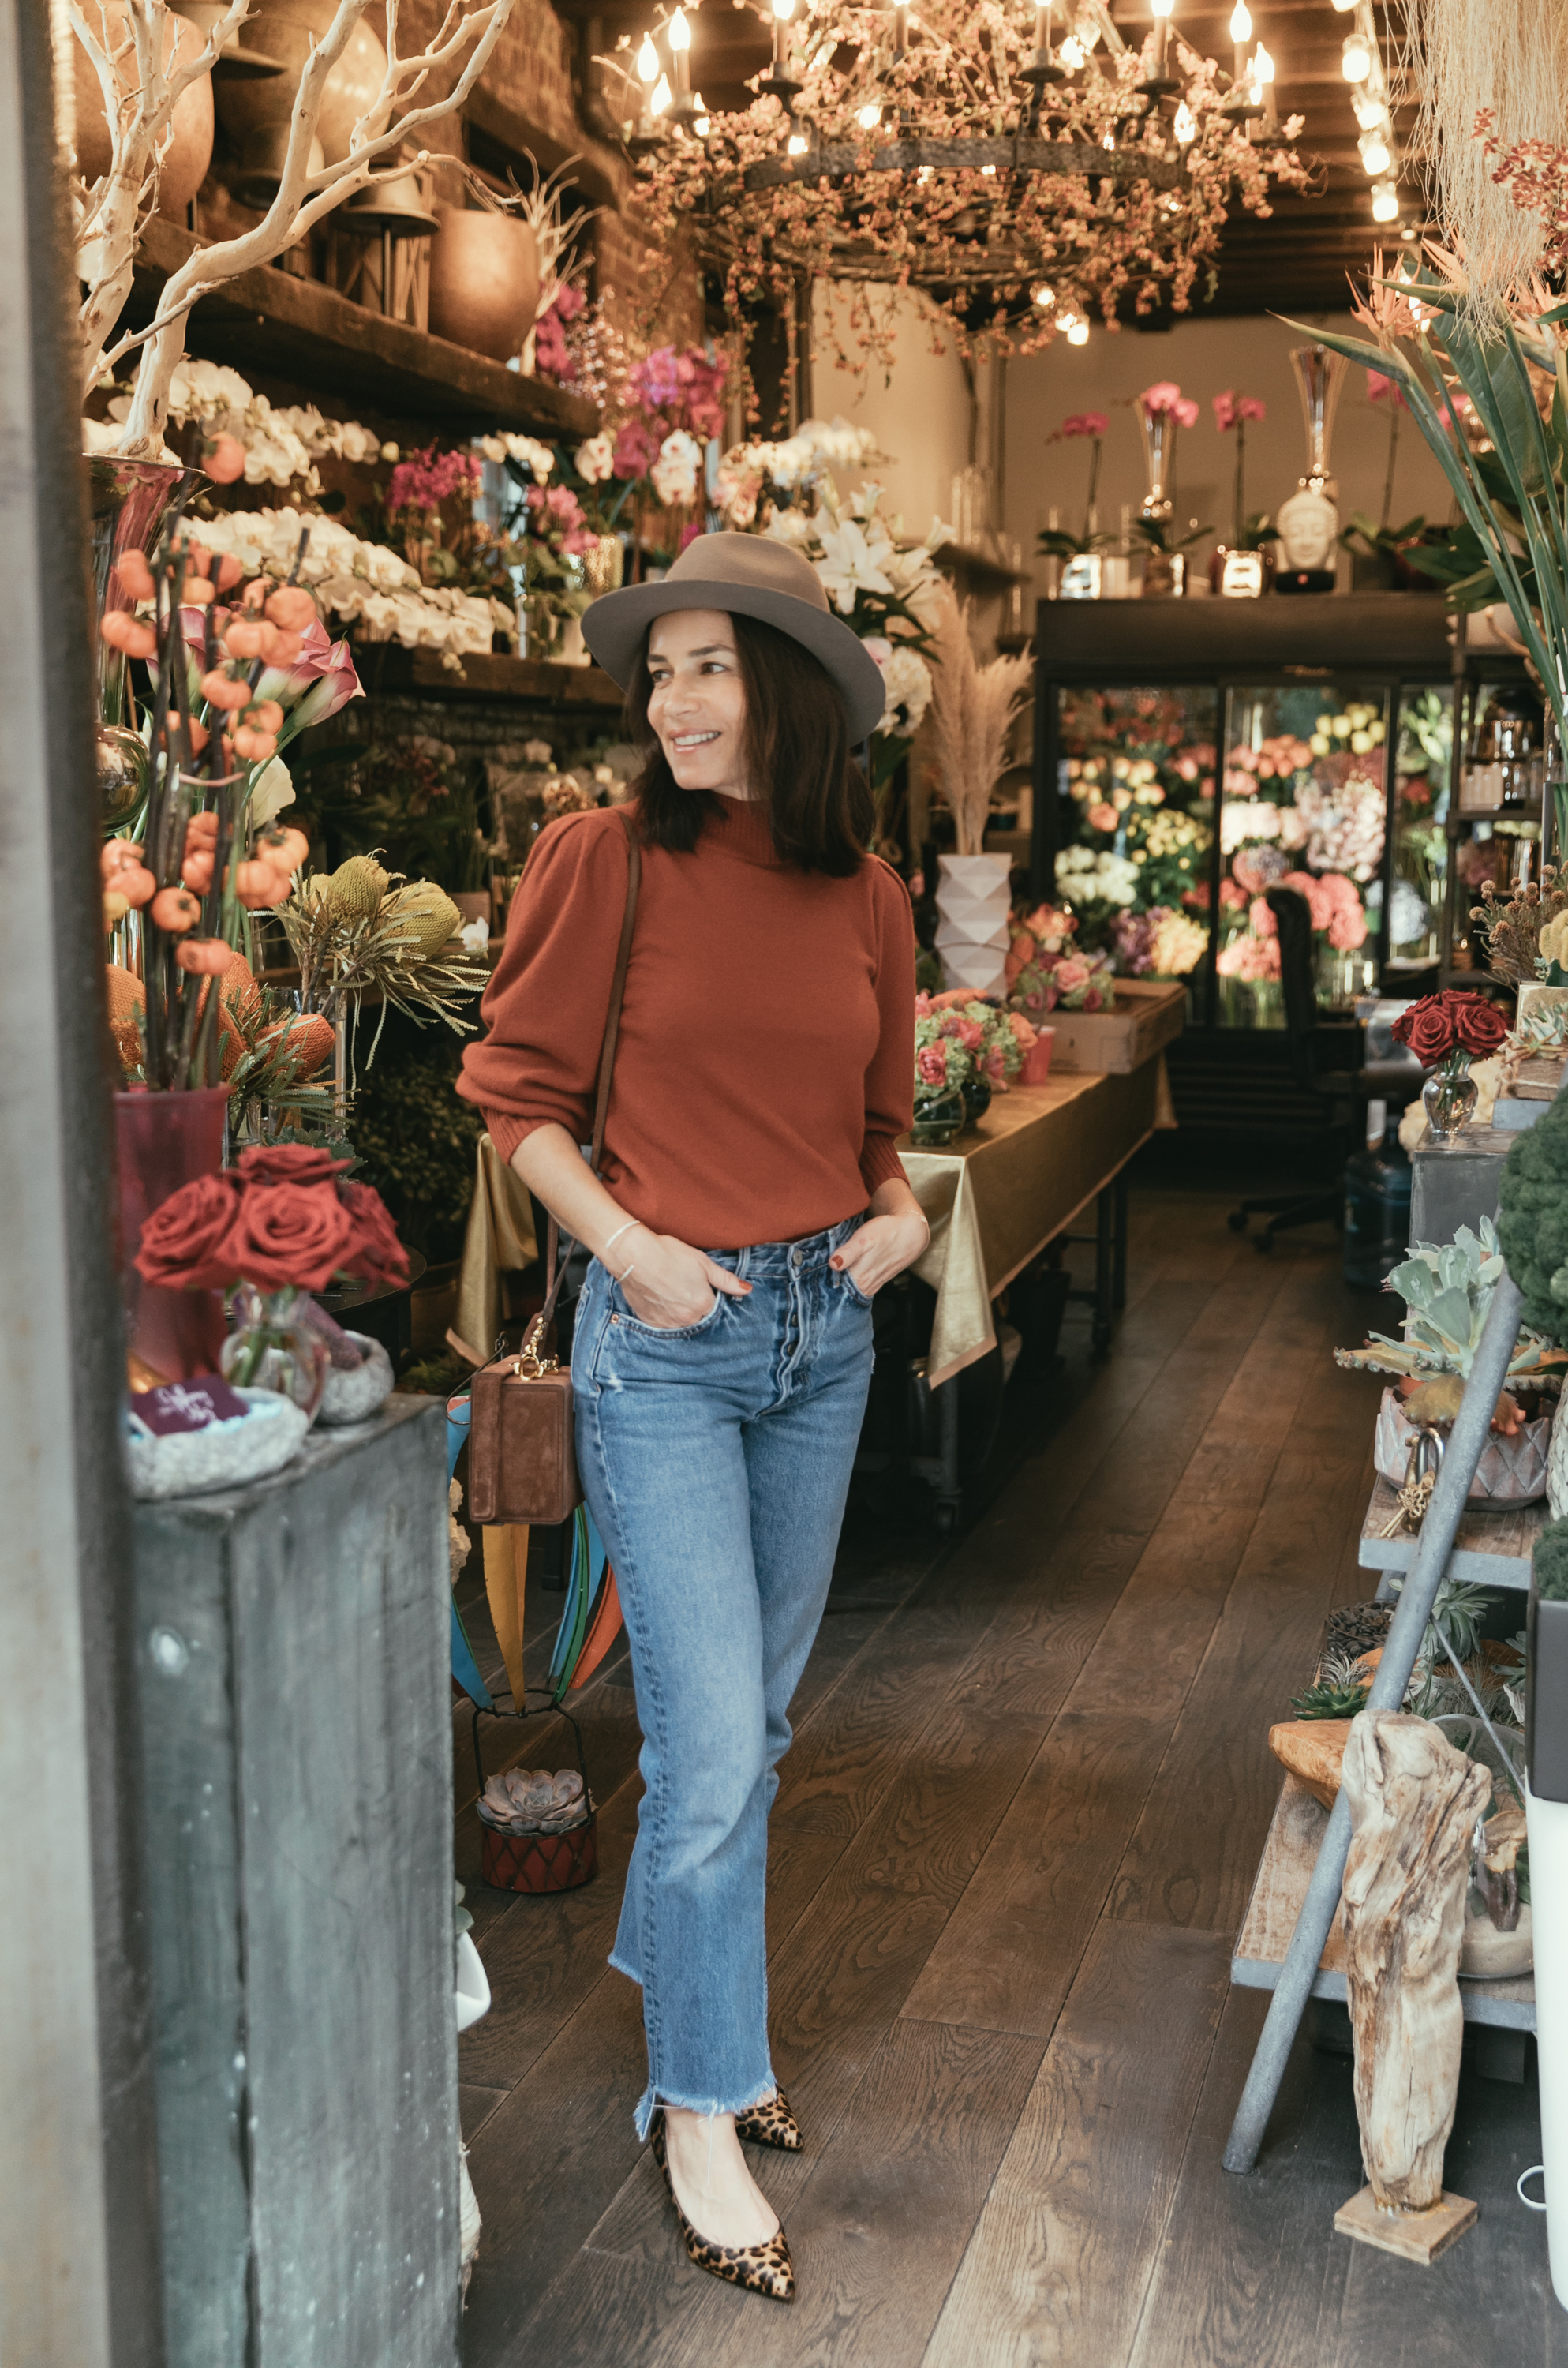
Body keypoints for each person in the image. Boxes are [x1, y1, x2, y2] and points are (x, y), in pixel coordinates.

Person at [457, 534, 930, 2303]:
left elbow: (880, 1125)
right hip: (667, 1335)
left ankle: (699, 2009)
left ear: (792, 689)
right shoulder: (606, 860)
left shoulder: (868, 892)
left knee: (754, 1733)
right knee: (714, 1751)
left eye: (713, 665)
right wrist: (632, 1253)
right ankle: (703, 2099)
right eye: (659, 669)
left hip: (824, 1334)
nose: (672, 699)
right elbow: (514, 1100)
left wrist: (897, 1219)